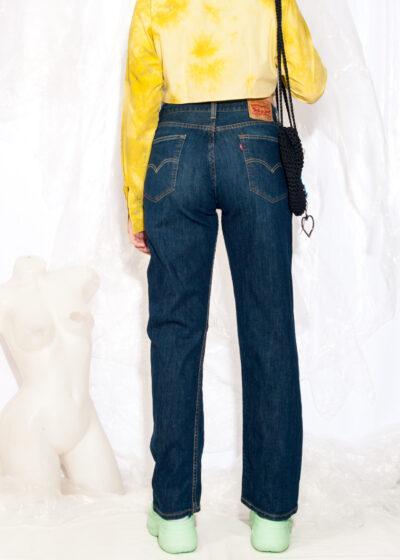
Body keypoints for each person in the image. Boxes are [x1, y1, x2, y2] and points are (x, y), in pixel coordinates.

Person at [121, 0, 327, 554]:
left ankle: (174, 516)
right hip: (253, 145)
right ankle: (272, 518)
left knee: (174, 330)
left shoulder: (154, 4)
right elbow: (310, 83)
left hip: (173, 149)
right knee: (268, 328)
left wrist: (136, 201)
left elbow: (140, 104)